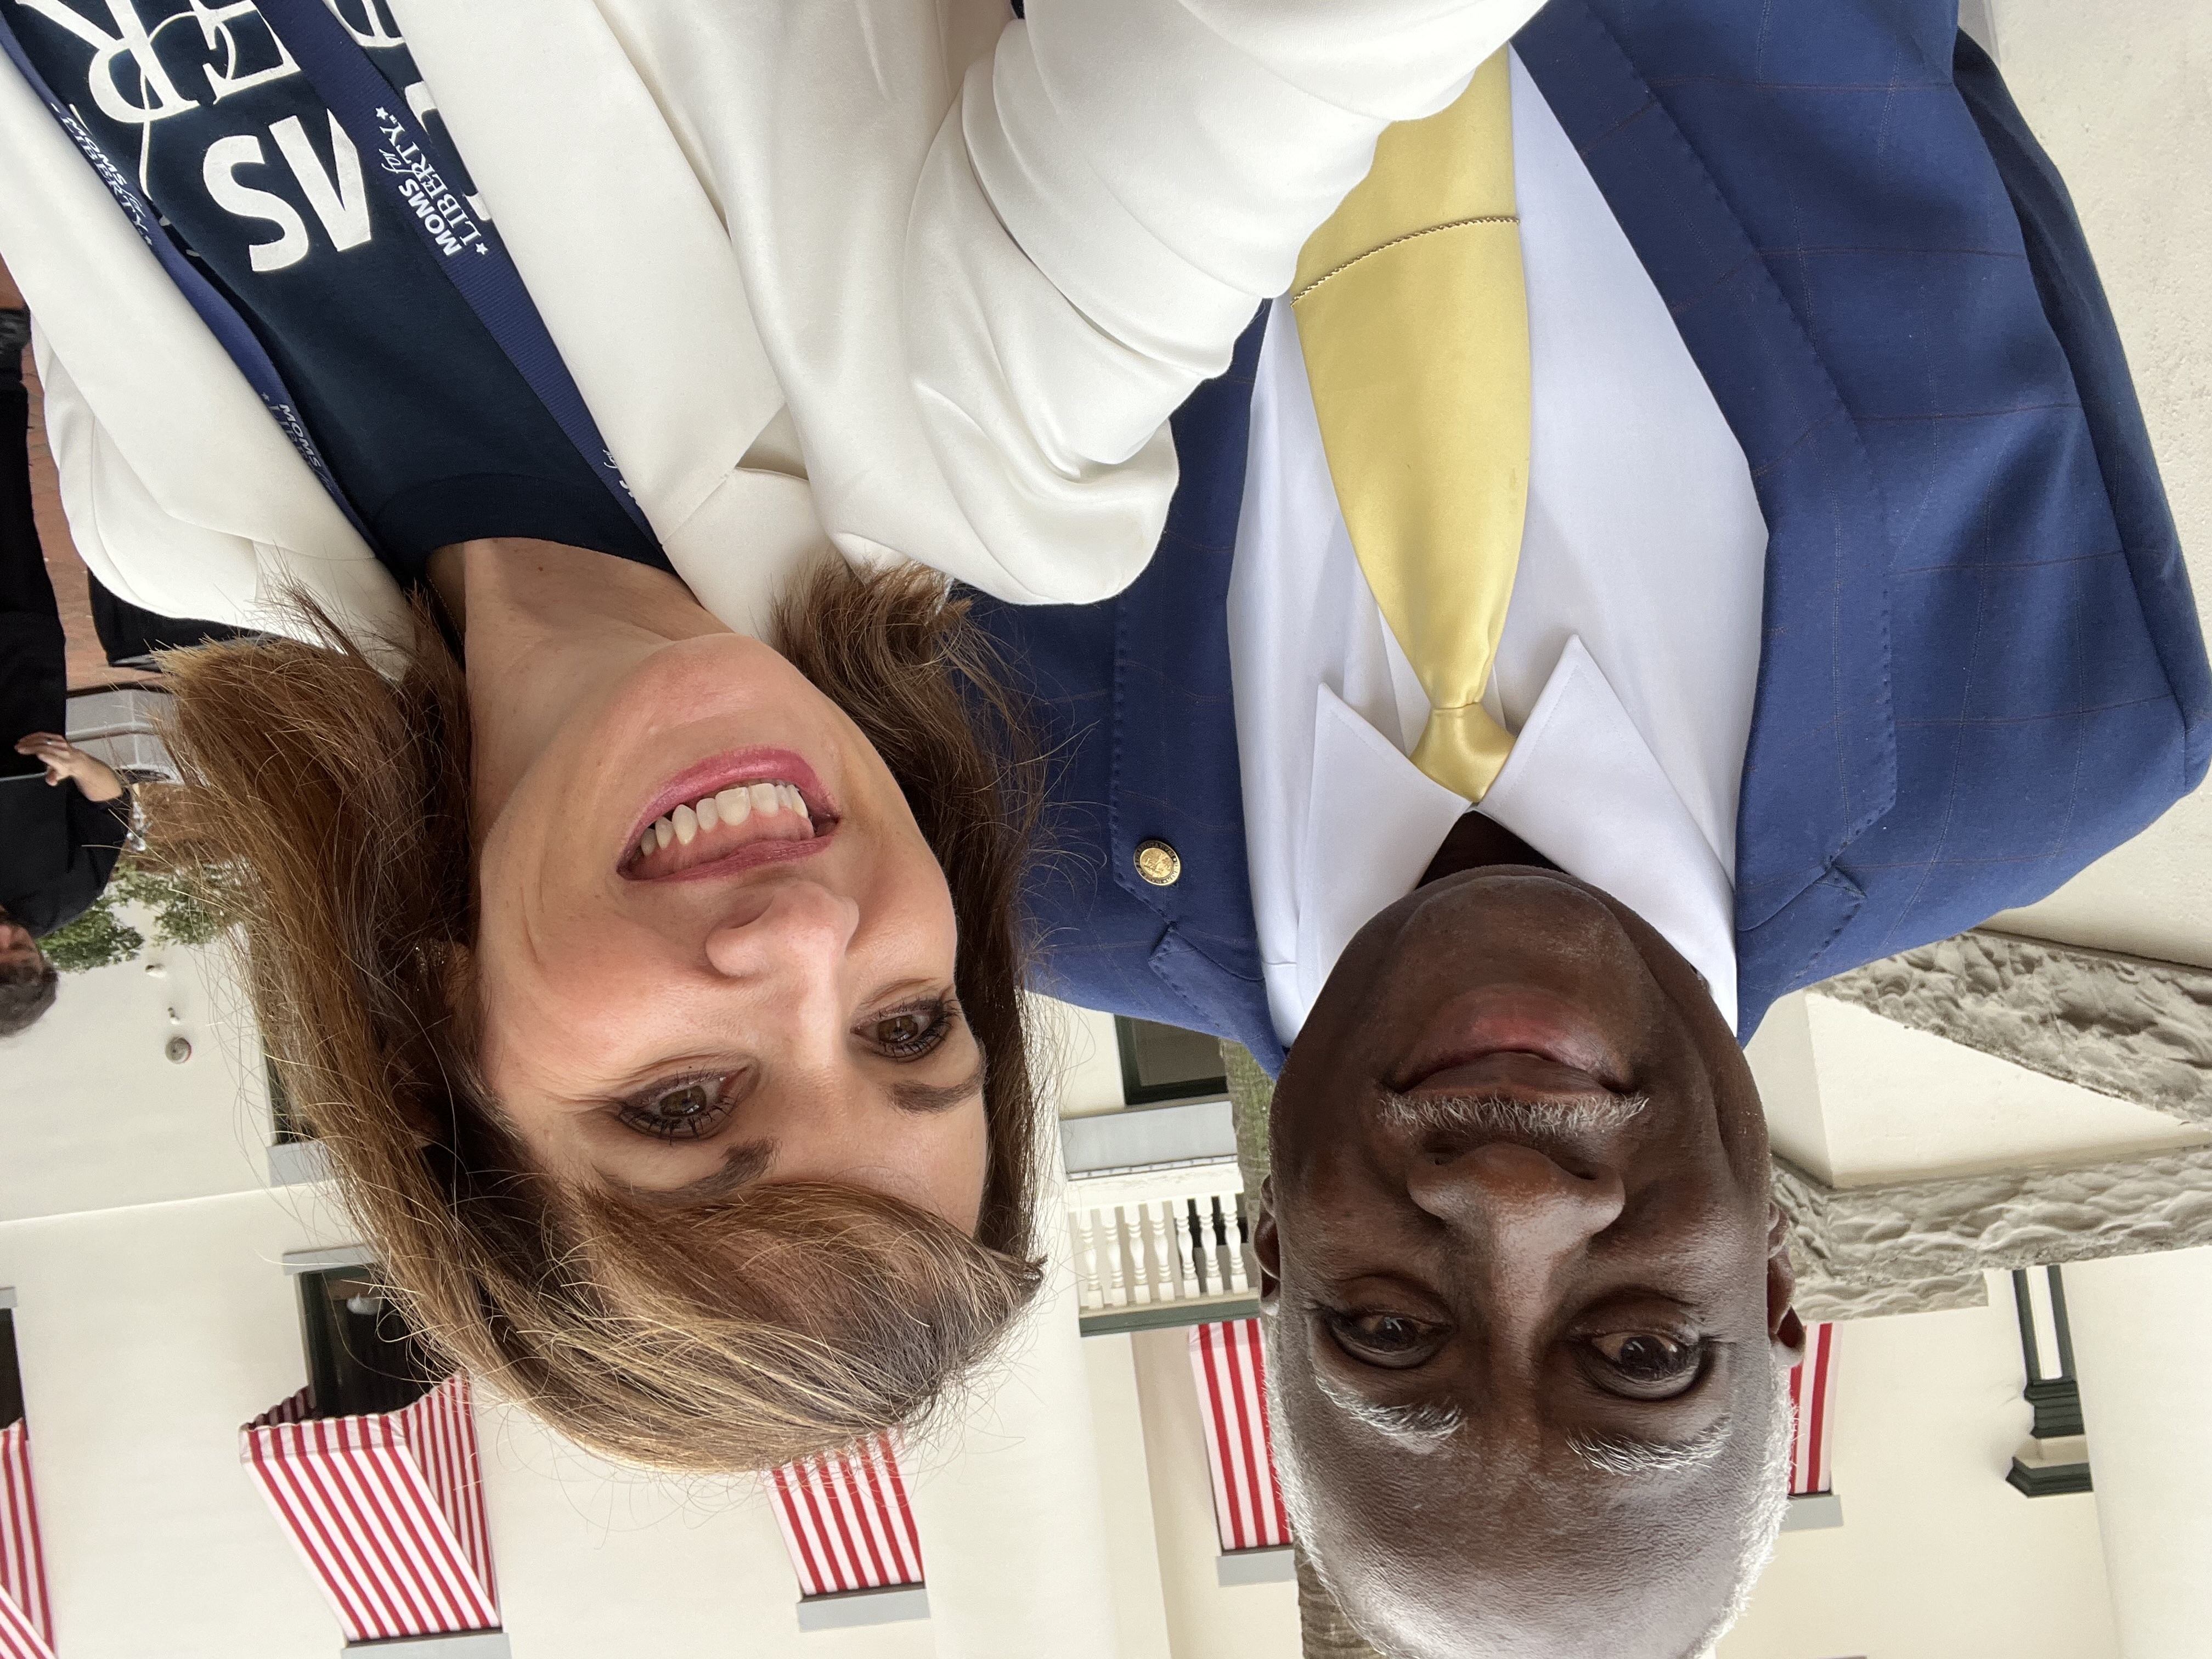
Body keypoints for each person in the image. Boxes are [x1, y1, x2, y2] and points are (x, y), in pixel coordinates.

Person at [0, 0, 1547, 1471]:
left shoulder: (169, 518)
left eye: (681, 1105)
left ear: (433, 1049)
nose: (807, 941)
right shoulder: (989, 445)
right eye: (909, 1027)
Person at [975, 1, 2209, 1651]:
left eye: (1388, 1331)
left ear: (1269, 1250)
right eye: (1641, 1352)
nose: (1514, 1204)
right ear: (1773, 1281)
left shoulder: (1000, 825)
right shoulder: (2063, 720)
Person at [0, 304, 132, 1037]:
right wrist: (76, 764)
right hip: (24, 666)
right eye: (24, 951)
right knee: (8, 513)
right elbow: (113, 804)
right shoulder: (66, 896)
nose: (10, 936)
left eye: (1, 953)